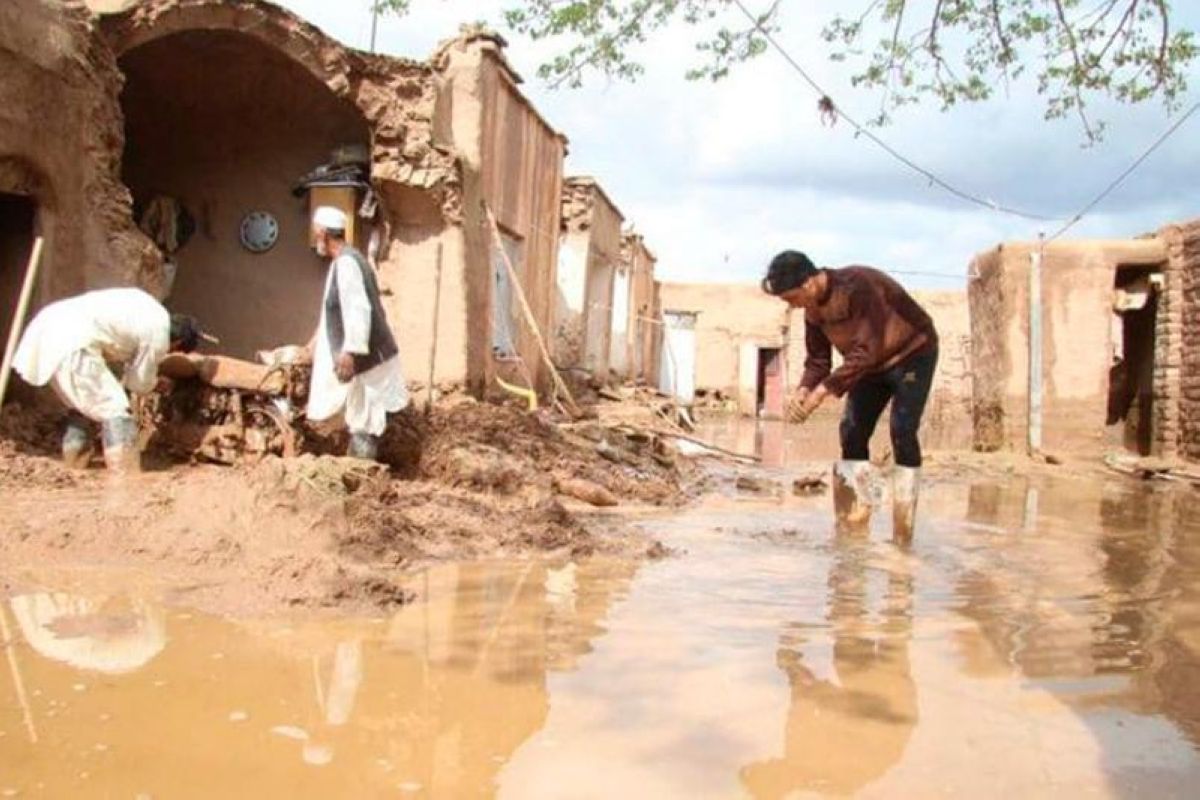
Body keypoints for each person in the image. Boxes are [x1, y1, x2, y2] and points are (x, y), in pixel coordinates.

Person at [762, 251, 938, 541]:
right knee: (852, 433)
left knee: (902, 430)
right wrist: (803, 389)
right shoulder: (813, 312)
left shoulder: (859, 286)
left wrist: (821, 394)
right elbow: (818, 361)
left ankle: (903, 531)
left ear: (808, 283)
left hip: (912, 355)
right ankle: (854, 527)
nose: (793, 306)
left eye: (791, 298)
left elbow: (868, 349)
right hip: (868, 366)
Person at [12, 287, 203, 471]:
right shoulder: (159, 335)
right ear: (177, 342)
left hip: (49, 325)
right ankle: (124, 475)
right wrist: (156, 383)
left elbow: (116, 345)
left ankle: (74, 462)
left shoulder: (147, 307)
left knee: (85, 406)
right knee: (116, 409)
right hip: (74, 341)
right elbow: (139, 383)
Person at [306, 206, 409, 460]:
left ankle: (363, 477)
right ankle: (362, 471)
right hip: (370, 357)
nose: (315, 238)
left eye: (316, 233)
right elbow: (333, 312)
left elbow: (358, 310)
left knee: (364, 421)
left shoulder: (347, 264)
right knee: (361, 417)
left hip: (367, 359)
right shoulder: (349, 260)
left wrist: (350, 351)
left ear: (323, 233)